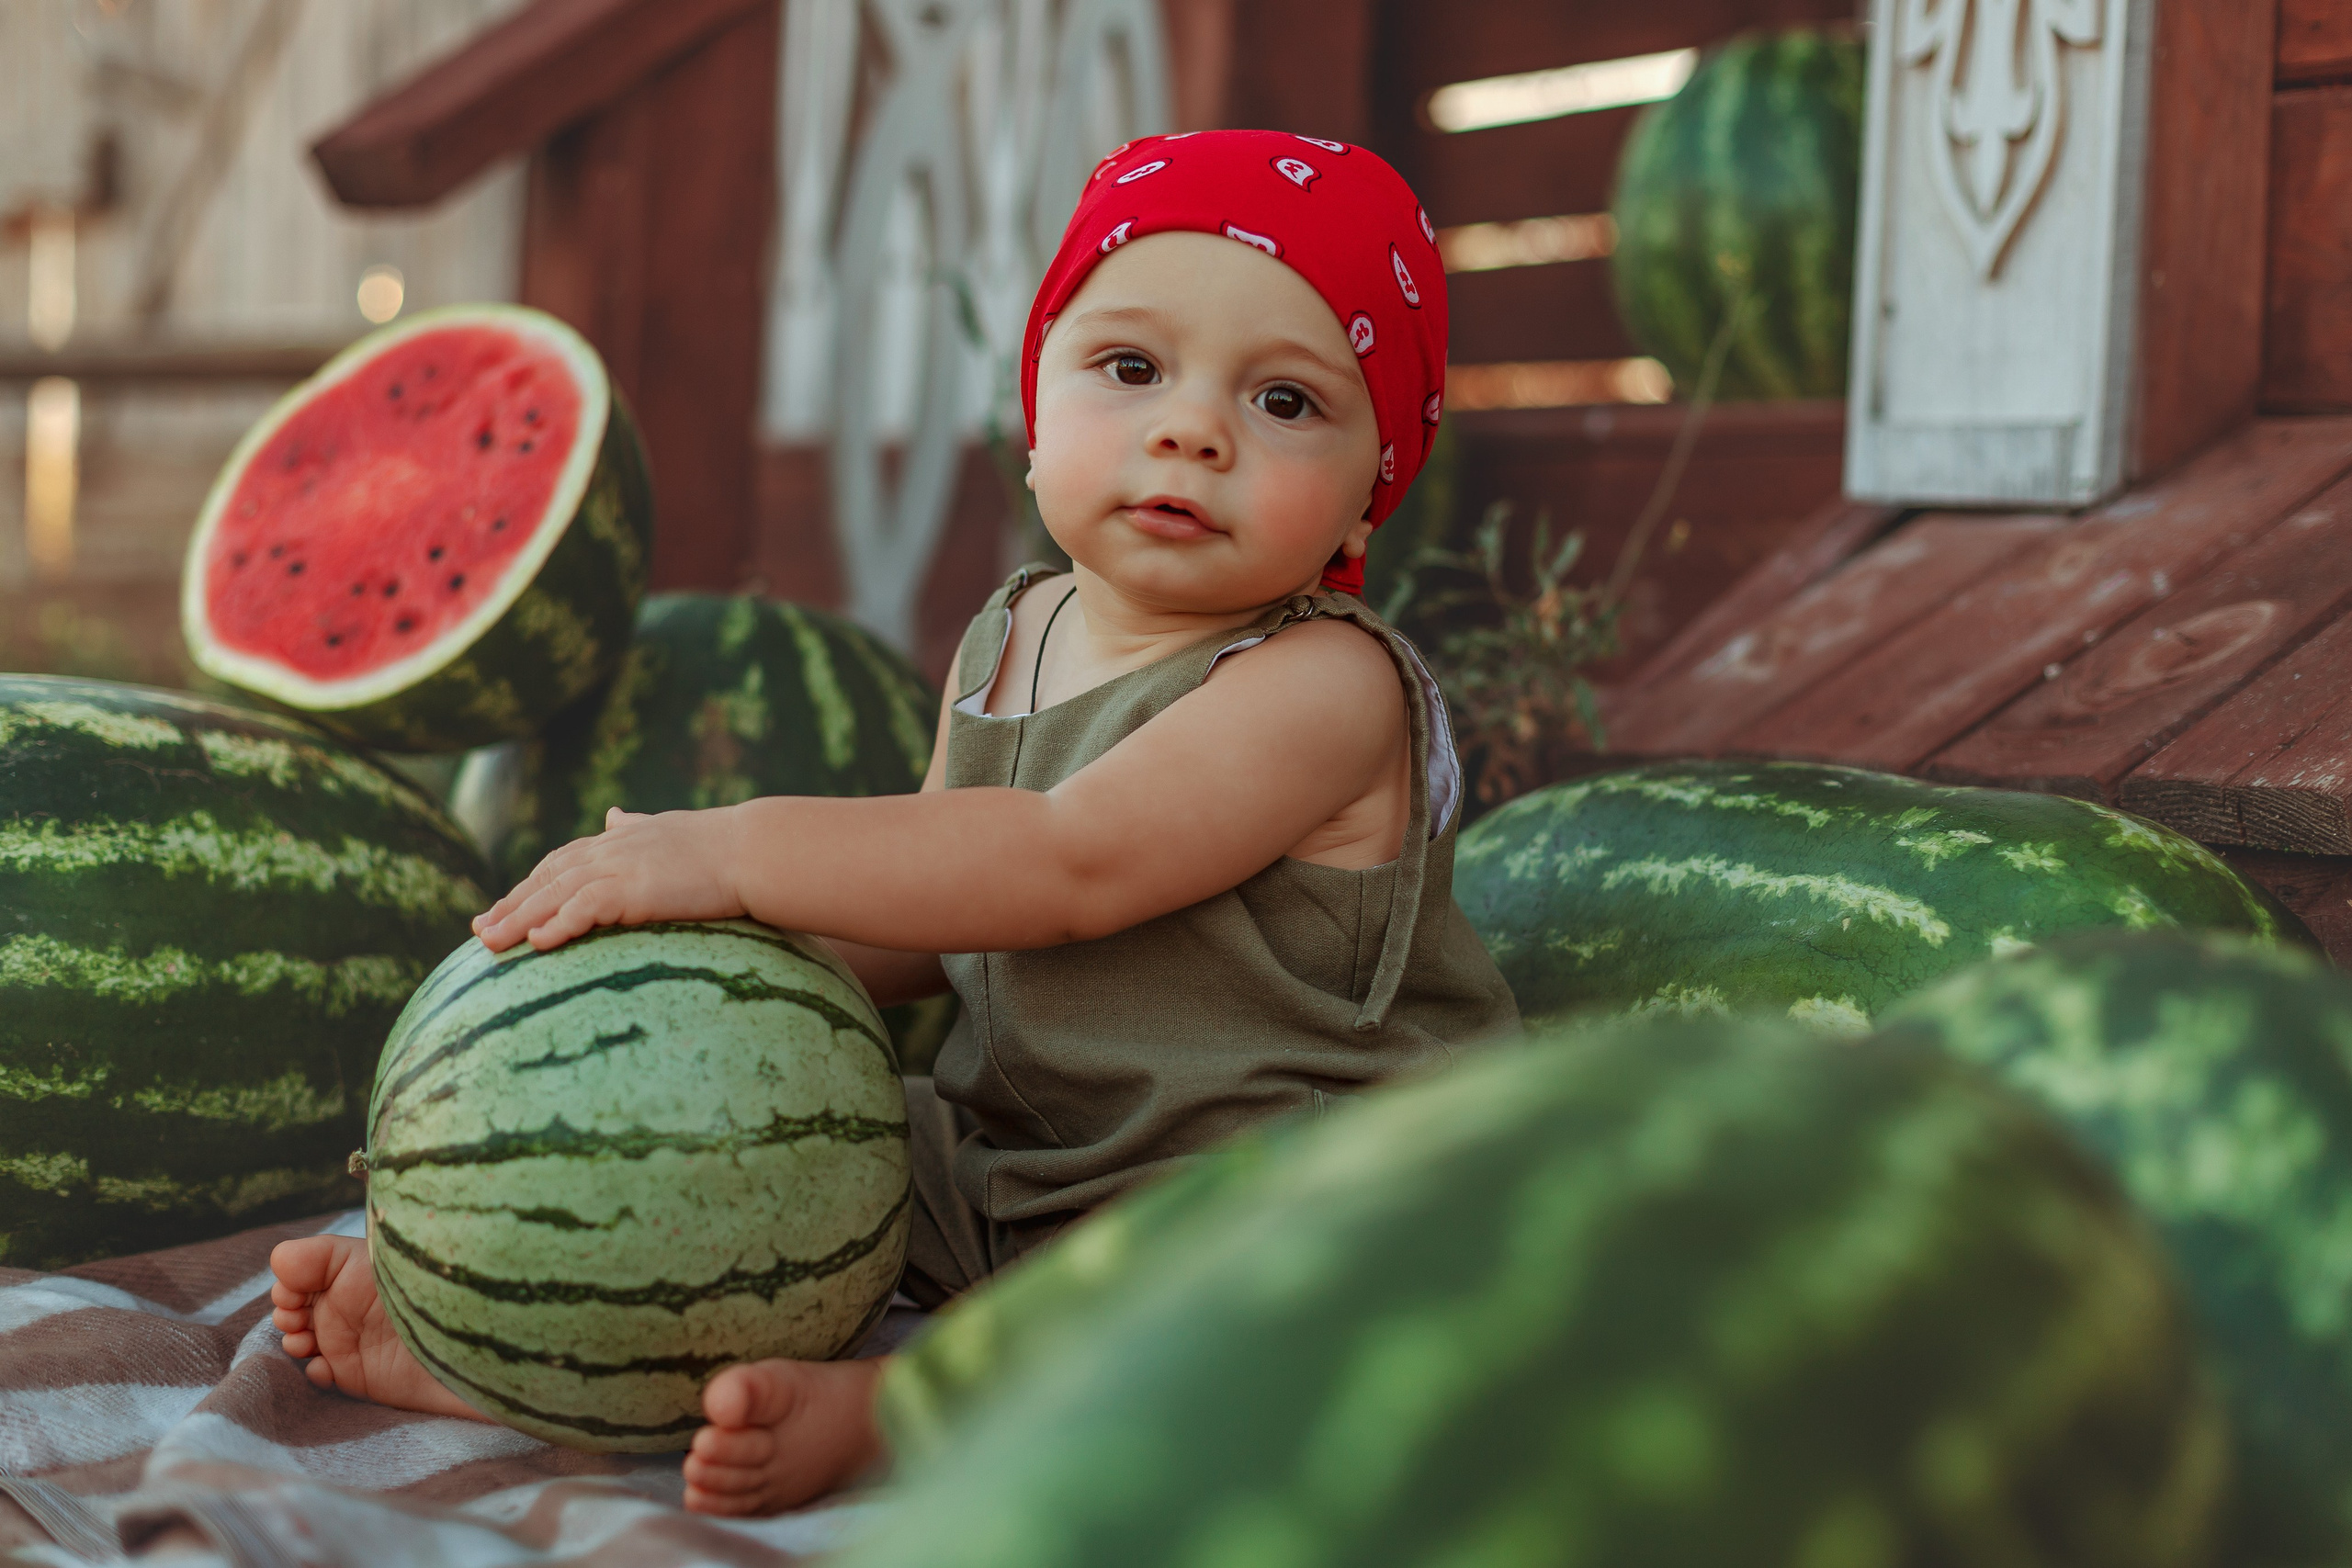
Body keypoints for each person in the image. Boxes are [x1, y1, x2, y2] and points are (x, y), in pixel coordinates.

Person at [268, 129, 1520, 1517]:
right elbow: (939, 925)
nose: (1192, 429)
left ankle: (906, 1414)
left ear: (1367, 494)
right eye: (1130, 368)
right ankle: (523, 1349)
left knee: (1214, 1309)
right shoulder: (1014, 632)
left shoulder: (1323, 686)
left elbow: (1070, 864)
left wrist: (733, 851)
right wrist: (703, 961)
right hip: (1007, 1160)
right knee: (758, 1183)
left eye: (1285, 400)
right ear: (1035, 410)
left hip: (1270, 1182)